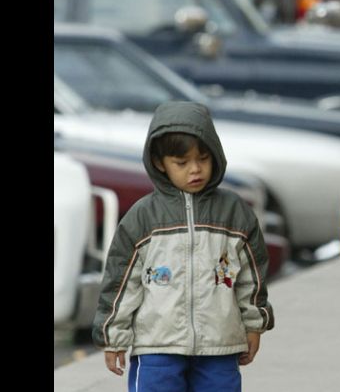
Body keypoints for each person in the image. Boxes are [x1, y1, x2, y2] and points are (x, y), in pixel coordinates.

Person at [92, 101, 274, 392]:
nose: (195, 169)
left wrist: (254, 324)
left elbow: (251, 278)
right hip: (156, 347)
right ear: (159, 162)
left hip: (219, 346)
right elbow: (122, 282)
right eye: (182, 162)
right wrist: (113, 337)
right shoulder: (142, 217)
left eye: (203, 158)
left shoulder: (234, 212)